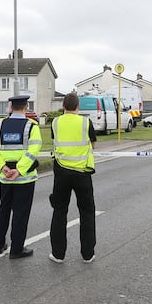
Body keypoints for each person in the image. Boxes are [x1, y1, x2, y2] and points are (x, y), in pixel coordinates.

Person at [0, 94, 42, 259]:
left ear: (10, 107)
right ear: (26, 108)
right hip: (25, 178)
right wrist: (19, 170)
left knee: (4, 209)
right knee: (20, 213)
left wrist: (4, 168)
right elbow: (34, 150)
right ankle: (17, 249)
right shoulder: (31, 126)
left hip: (5, 177)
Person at [49, 92, 97, 264]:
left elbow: (55, 140)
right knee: (87, 212)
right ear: (78, 107)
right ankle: (87, 254)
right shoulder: (86, 122)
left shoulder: (55, 122)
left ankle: (58, 254)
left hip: (61, 172)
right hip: (82, 173)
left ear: (63, 106)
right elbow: (93, 143)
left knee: (59, 211)